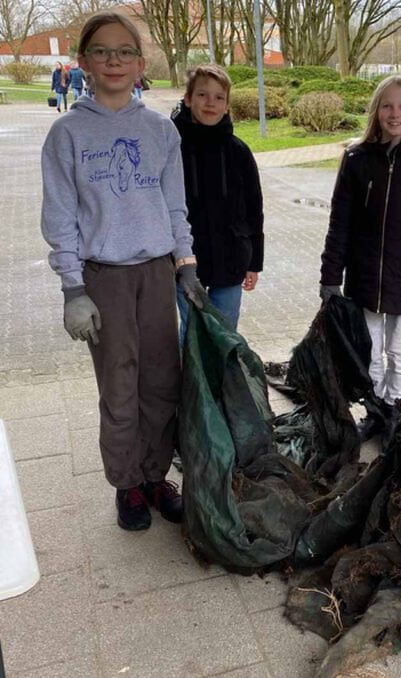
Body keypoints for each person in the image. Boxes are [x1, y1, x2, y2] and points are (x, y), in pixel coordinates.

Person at [40, 12, 205, 532]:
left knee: (162, 381)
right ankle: (127, 483)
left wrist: (186, 266)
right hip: (103, 278)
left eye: (125, 52)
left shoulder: (160, 130)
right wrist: (73, 289)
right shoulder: (68, 132)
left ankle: (156, 475)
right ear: (84, 61)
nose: (114, 61)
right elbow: (60, 215)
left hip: (156, 273)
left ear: (140, 63)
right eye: (102, 52)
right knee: (119, 384)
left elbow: (174, 206)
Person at [319, 74, 401, 440]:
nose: (395, 113)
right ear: (376, 111)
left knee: (398, 347)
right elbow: (339, 221)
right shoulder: (357, 160)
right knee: (370, 350)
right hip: (363, 278)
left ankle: (394, 406)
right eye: (387, 105)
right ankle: (375, 409)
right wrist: (330, 276)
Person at [173, 64, 264, 346]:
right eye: (202, 95)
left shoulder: (238, 151)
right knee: (193, 333)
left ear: (227, 105)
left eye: (218, 97)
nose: (210, 103)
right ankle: (192, 388)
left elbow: (254, 208)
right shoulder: (172, 148)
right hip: (187, 260)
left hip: (231, 259)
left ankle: (222, 388)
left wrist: (254, 262)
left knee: (225, 334)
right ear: (188, 99)